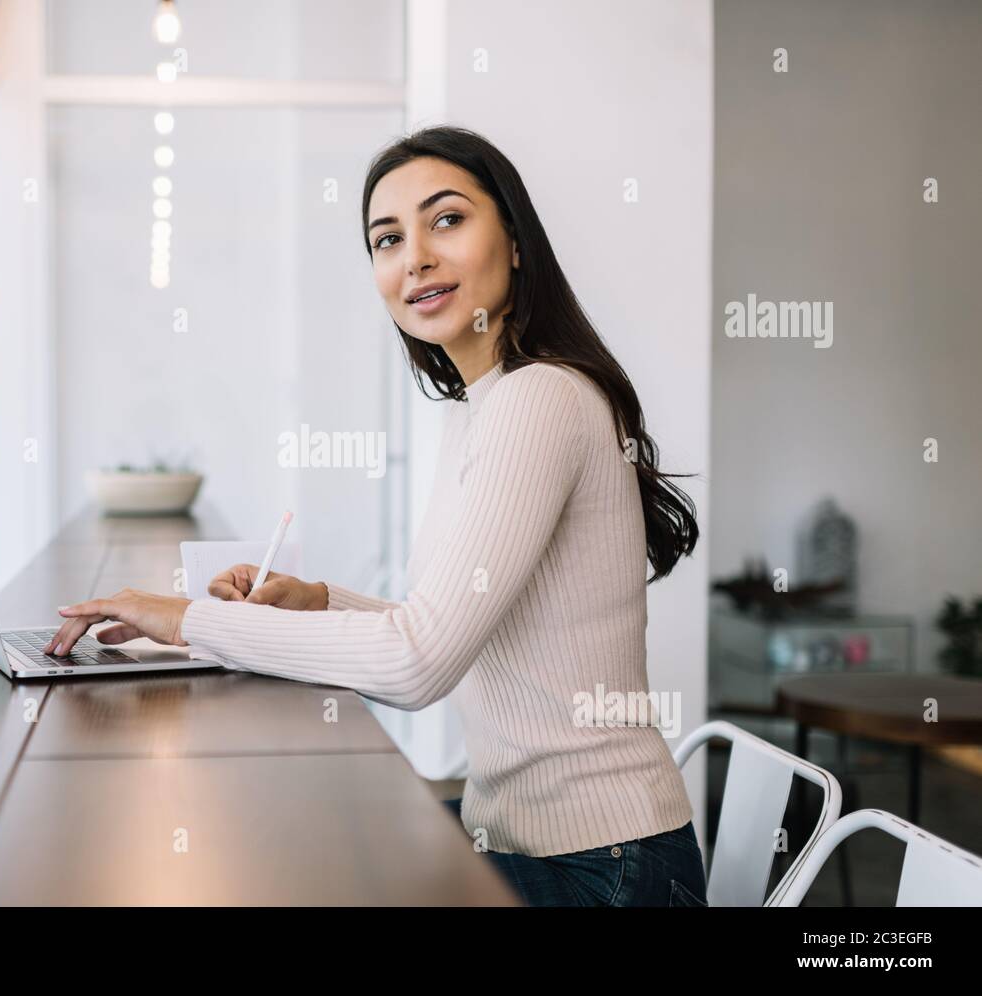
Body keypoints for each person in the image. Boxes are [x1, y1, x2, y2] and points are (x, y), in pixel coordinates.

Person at [46, 126, 708, 907]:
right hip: (536, 837)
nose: (415, 257)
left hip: (605, 868)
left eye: (447, 220)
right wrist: (321, 600)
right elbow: (455, 622)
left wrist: (184, 618)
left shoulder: (540, 399)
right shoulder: (486, 403)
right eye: (387, 239)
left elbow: (418, 663)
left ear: (517, 241)